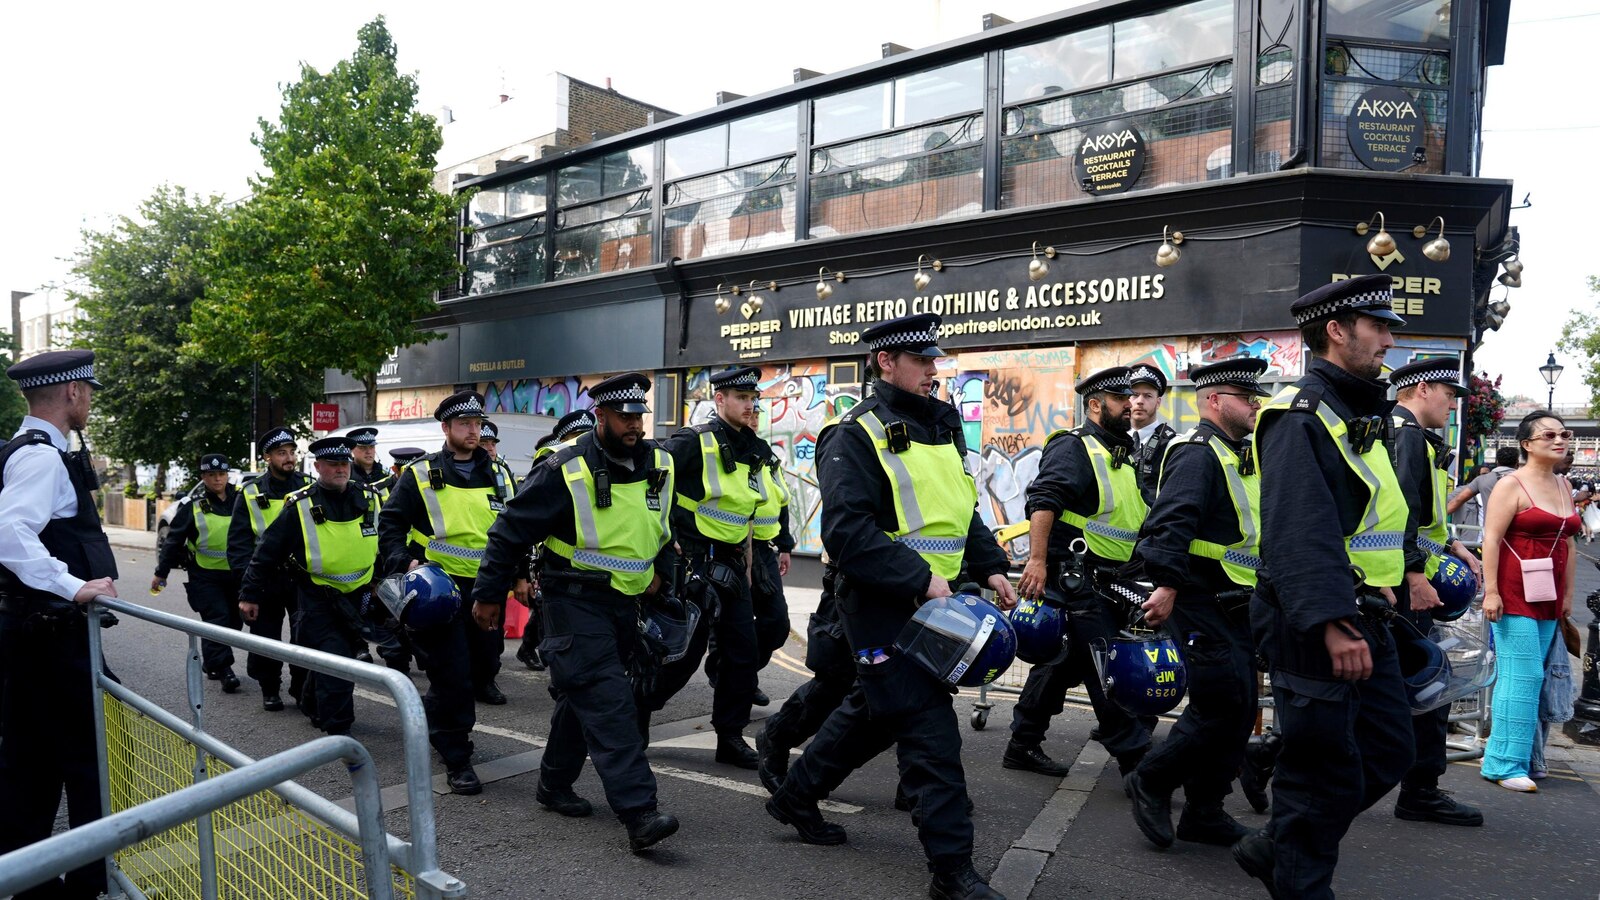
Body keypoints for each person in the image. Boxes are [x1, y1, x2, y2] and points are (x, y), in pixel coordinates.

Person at [767, 314, 1016, 900]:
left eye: (935, 361)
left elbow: (963, 513)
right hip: (881, 606)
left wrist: (993, 568)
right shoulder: (854, 433)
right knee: (929, 733)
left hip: (937, 602)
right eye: (922, 361)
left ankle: (797, 793)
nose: (935, 370)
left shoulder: (942, 427)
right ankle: (952, 873)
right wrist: (920, 577)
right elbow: (848, 533)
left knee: (877, 712)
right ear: (886, 362)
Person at [1232, 274, 1415, 899]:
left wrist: (1394, 577)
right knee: (1321, 773)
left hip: (1367, 611)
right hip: (1316, 621)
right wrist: (1333, 621)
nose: (1390, 340)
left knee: (1390, 750)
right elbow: (1297, 531)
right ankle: (1298, 878)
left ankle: (1276, 846)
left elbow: (1373, 519)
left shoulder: (1357, 411)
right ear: (1337, 331)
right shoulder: (1298, 414)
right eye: (1380, 328)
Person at [470, 373, 680, 851]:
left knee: (581, 696)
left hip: (626, 604)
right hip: (572, 602)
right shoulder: (565, 468)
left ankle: (553, 783)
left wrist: (664, 577)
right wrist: (488, 595)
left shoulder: (661, 464)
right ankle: (639, 812)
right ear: (600, 417)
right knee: (609, 703)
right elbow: (509, 531)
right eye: (624, 417)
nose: (634, 426)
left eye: (638, 417)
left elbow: (665, 527)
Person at [1124, 357, 1269, 850]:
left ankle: (1205, 811)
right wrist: (1166, 584)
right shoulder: (1198, 452)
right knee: (1220, 702)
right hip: (1199, 595)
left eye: (1256, 396)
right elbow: (1173, 520)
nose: (1255, 404)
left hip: (1237, 597)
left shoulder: (1240, 453)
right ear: (1213, 401)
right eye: (1246, 396)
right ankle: (1152, 779)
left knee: (1240, 705)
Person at [0, 350, 120, 900]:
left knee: (34, 766)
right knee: (90, 762)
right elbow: (10, 534)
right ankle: (86, 884)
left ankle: (30, 880)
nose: (90, 400)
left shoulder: (26, 449)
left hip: (36, 637)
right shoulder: (42, 458)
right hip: (51, 639)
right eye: (88, 391)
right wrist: (74, 586)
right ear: (72, 393)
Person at [1010, 365, 1151, 779]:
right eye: (1121, 398)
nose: (1131, 404)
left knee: (1063, 662)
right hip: (1077, 575)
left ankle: (1022, 742)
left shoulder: (1120, 453)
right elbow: (1043, 502)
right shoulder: (1075, 446)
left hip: (1112, 577)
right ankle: (1136, 761)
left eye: (1134, 397)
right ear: (1094, 405)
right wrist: (1035, 561)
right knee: (1105, 664)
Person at [641, 366, 775, 768]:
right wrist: (668, 540)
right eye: (741, 398)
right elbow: (652, 484)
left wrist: (749, 564)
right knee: (682, 653)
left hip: (732, 563)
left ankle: (729, 737)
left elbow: (746, 513)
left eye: (753, 398)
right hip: (692, 560)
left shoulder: (753, 447)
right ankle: (638, 710)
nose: (749, 405)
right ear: (719, 400)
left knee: (741, 654)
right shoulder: (692, 441)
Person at [378, 390, 508, 794]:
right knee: (452, 676)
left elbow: (512, 529)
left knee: (483, 667)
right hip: (440, 590)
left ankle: (437, 724)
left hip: (486, 588)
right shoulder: (419, 474)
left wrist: (519, 575)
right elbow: (391, 525)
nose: (474, 430)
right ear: (446, 428)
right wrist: (406, 562)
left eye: (478, 424)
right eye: (465, 424)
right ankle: (457, 757)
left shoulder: (499, 473)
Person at [1386, 357, 1484, 825]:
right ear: (1422, 389)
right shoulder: (1404, 435)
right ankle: (1420, 790)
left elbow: (1422, 516)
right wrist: (1414, 576)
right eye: (1448, 394)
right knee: (1426, 682)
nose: (1452, 404)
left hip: (1404, 579)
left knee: (1401, 685)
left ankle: (1276, 755)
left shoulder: (1418, 439)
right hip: (1403, 586)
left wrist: (1453, 545)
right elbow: (1398, 511)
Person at [240, 437, 380, 736]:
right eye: (332, 465)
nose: (340, 470)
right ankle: (339, 732)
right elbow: (267, 551)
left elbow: (385, 540)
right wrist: (250, 594)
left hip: (360, 597)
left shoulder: (370, 498)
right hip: (318, 598)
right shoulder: (300, 506)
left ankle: (312, 699)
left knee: (339, 660)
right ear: (317, 467)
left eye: (344, 464)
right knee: (337, 663)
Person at [1479, 412, 1582, 791]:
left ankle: (1516, 758)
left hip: (1549, 595)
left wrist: (1568, 594)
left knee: (1530, 676)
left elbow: (1569, 543)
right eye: (1549, 434)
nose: (1560, 440)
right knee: (1524, 676)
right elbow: (1490, 539)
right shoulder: (1511, 484)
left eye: (1564, 433)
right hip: (1513, 593)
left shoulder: (1564, 484)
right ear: (1527, 444)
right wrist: (1491, 591)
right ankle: (1506, 764)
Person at [229, 426, 311, 712]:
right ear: (267, 457)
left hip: (301, 576)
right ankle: (270, 688)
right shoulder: (250, 493)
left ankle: (301, 687)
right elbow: (238, 546)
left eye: (291, 453)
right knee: (266, 636)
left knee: (305, 635)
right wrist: (247, 589)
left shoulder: (309, 486)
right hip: (266, 579)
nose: (289, 459)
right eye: (281, 454)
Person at [154, 453, 243, 693]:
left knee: (235, 622)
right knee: (218, 619)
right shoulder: (193, 506)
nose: (217, 479)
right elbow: (173, 541)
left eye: (221, 474)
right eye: (211, 475)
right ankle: (224, 669)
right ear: (203, 477)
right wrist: (161, 573)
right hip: (205, 575)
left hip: (237, 574)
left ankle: (213, 662)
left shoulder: (242, 500)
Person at [516, 409, 597, 672]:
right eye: (578, 434)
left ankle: (534, 649)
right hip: (551, 553)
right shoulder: (552, 460)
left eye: (588, 432)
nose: (585, 438)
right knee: (545, 610)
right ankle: (532, 649)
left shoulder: (598, 457)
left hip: (588, 561)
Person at [1128, 363, 1176, 506]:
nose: (1140, 401)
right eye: (1134, 395)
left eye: (1148, 396)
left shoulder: (1172, 444)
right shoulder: (1112, 439)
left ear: (1158, 402)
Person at [1447, 446, 1518, 529]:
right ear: (1517, 463)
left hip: (1491, 532)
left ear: (1497, 462)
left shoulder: (1482, 480)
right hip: (1523, 533)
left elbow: (1458, 500)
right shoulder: (1527, 480)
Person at [479, 419, 521, 492]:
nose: (491, 448)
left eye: (493, 444)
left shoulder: (503, 467)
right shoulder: (470, 468)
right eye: (483, 444)